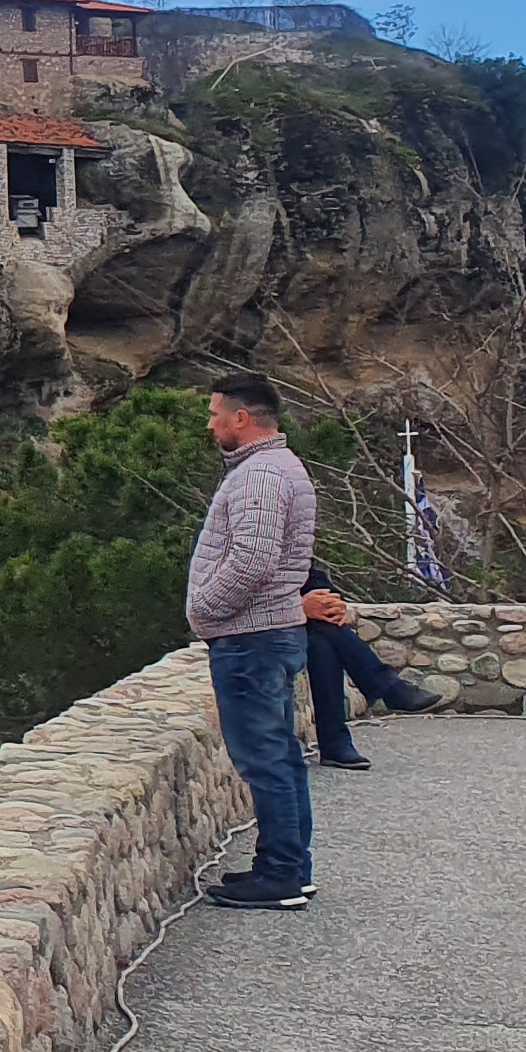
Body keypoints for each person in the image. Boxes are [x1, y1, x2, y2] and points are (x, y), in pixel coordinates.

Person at [188, 372, 320, 908]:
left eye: (215, 413)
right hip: (268, 633)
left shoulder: (260, 474)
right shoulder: (276, 466)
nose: (210, 424)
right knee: (280, 755)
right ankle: (285, 866)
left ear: (241, 418)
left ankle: (283, 875)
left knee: (265, 758)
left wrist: (205, 608)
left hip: (252, 636)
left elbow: (252, 559)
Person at [300, 560, 450, 769]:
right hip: (261, 624)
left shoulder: (291, 545)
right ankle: (389, 689)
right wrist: (298, 607)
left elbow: (308, 575)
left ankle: (336, 744)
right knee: (324, 633)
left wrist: (332, 602)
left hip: (298, 625)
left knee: (322, 644)